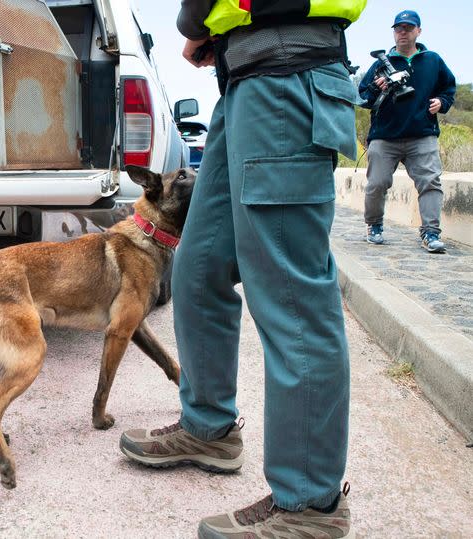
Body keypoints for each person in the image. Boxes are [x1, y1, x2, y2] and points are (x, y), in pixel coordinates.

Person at [118, 1, 366, 537]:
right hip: (245, 80)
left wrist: (195, 24)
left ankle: (309, 505)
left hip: (289, 73)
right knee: (197, 265)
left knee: (291, 297)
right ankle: (209, 429)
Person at [358, 10, 456, 253]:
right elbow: (363, 97)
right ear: (393, 32)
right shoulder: (379, 64)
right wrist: (377, 87)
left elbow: (448, 89)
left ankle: (431, 232)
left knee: (430, 183)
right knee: (376, 184)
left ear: (418, 31)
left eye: (408, 28)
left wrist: (441, 103)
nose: (402, 32)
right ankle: (374, 226)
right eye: (398, 28)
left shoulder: (433, 60)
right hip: (384, 135)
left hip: (422, 134)